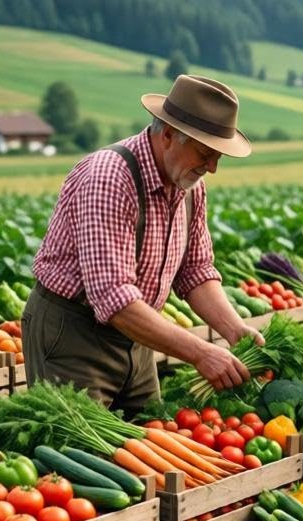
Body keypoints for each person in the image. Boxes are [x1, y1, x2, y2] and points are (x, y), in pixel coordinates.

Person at [24, 75, 260, 418]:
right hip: (75, 335)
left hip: (140, 336)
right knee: (81, 459)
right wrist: (200, 352)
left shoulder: (188, 184)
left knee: (155, 438)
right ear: (167, 135)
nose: (212, 167)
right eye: (206, 153)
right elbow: (114, 298)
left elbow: (195, 270)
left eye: (218, 157)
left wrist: (234, 330)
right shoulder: (109, 178)